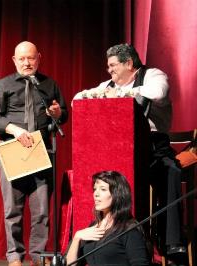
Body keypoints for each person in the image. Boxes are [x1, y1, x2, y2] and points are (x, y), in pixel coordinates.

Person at [73, 43, 186, 259]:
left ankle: (172, 242)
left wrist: (121, 93)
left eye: (113, 65)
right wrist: (96, 95)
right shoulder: (108, 84)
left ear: (129, 63)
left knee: (171, 172)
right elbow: (77, 99)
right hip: (120, 146)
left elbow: (159, 92)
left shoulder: (153, 75)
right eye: (108, 66)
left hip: (154, 146)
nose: (109, 71)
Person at [0, 41, 68, 266]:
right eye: (21, 59)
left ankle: (38, 255)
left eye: (30, 58)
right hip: (12, 149)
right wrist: (15, 129)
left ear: (38, 58)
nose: (26, 62)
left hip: (41, 150)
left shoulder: (49, 84)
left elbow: (63, 113)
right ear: (14, 60)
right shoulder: (3, 85)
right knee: (13, 208)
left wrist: (58, 112)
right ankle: (15, 256)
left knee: (41, 209)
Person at [66, 171, 150, 266]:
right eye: (95, 189)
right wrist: (77, 237)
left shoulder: (129, 229)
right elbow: (70, 264)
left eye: (103, 189)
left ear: (117, 194)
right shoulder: (93, 227)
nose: (96, 194)